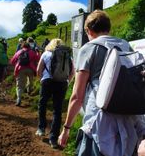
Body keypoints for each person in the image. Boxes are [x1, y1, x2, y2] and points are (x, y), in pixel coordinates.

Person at [58, 10, 145, 155]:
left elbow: (77, 97)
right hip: (129, 121)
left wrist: (66, 128)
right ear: (109, 29)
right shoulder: (126, 46)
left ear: (88, 31)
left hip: (98, 123)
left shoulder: (88, 48)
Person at [35, 38, 74, 149]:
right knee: (57, 111)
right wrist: (67, 82)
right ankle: (53, 139)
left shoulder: (46, 53)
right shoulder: (67, 55)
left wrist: (42, 79)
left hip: (47, 82)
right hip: (61, 83)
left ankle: (41, 128)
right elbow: (72, 72)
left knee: (42, 104)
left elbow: (38, 70)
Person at [10, 42, 40, 106]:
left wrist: (16, 64)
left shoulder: (18, 52)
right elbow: (38, 58)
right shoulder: (32, 52)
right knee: (31, 81)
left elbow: (12, 61)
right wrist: (38, 52)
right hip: (30, 69)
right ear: (29, 46)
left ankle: (19, 98)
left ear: (22, 46)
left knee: (19, 85)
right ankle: (29, 90)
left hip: (20, 69)